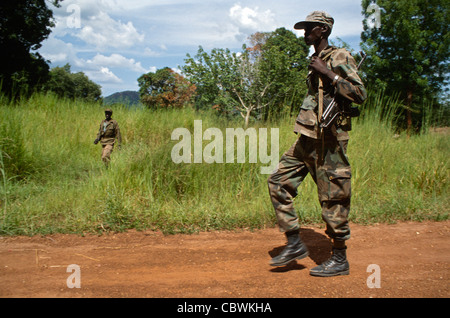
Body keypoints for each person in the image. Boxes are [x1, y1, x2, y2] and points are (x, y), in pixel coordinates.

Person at [267, 11, 367, 277]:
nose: (304, 33)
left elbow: (359, 93)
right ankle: (294, 242)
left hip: (329, 141)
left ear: (322, 30)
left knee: (333, 198)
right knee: (277, 181)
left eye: (309, 28)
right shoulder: (315, 58)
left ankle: (339, 258)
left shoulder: (339, 57)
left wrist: (329, 74)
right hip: (307, 137)